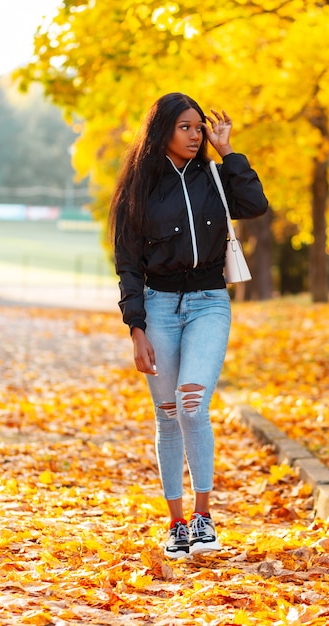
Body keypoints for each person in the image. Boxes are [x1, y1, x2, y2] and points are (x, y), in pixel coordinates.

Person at [109, 92, 268, 558]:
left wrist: (228, 152)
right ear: (162, 131)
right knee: (168, 414)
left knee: (192, 404)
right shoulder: (138, 189)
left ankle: (204, 517)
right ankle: (176, 523)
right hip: (157, 306)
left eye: (200, 127)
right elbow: (128, 266)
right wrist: (135, 328)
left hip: (208, 302)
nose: (196, 134)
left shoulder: (215, 178)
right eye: (186, 127)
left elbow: (255, 204)